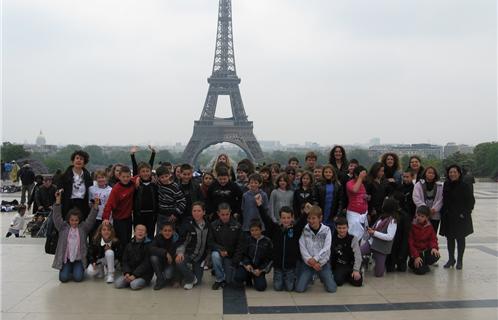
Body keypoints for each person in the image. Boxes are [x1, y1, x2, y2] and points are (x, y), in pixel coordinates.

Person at [257, 198, 307, 291]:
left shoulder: (295, 230)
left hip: (290, 267)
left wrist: (306, 212)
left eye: (288, 218)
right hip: (278, 266)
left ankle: (293, 277)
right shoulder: (275, 229)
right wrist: (259, 205)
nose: (286, 220)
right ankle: (281, 277)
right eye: (283, 218)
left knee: (289, 288)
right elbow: (266, 218)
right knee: (277, 287)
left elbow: (301, 222)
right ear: (280, 218)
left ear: (292, 218)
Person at [52, 189, 98, 283]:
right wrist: (58, 200)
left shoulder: (83, 228)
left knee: (78, 278)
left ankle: (77, 268)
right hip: (67, 259)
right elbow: (56, 216)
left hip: (78, 259)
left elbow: (91, 219)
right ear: (68, 219)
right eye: (72, 220)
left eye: (76, 220)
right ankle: (68, 268)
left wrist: (95, 206)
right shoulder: (63, 227)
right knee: (63, 279)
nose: (74, 222)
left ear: (79, 220)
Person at [440, 164, 475, 270]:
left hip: (460, 216)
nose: (452, 174)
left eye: (455, 172)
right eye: (450, 172)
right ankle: (451, 259)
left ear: (459, 173)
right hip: (448, 216)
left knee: (460, 239)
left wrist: (464, 213)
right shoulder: (446, 184)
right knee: (449, 239)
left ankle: (460, 260)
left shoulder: (464, 185)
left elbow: (471, 201)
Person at [295, 205, 336, 293]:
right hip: (308, 263)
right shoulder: (304, 230)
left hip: (322, 263)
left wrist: (317, 260)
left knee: (332, 289)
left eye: (313, 218)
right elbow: (302, 247)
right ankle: (311, 276)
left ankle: (323, 277)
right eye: (309, 218)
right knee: (299, 289)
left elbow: (326, 248)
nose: (311, 221)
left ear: (320, 218)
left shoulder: (327, 230)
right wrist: (311, 261)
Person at [208, 202, 244, 290]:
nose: (225, 216)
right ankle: (219, 279)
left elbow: (240, 246)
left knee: (229, 281)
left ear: (230, 212)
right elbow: (210, 242)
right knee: (214, 255)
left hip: (231, 256)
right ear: (218, 213)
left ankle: (223, 270)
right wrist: (220, 250)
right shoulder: (213, 225)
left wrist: (235, 262)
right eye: (222, 214)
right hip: (219, 253)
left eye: (227, 214)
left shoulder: (237, 226)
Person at [360, 198, 398, 278]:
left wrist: (374, 232)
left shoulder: (393, 221)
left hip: (381, 248)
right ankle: (364, 261)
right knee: (358, 253)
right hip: (371, 243)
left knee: (379, 274)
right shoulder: (381, 217)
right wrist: (371, 230)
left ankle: (373, 260)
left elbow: (389, 237)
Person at [176, 202, 210, 289]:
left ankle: (190, 275)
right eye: (194, 211)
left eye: (199, 211)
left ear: (204, 212)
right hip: (189, 254)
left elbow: (210, 243)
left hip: (201, 257)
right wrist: (180, 253)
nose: (196, 213)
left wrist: (208, 258)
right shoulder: (187, 224)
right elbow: (182, 240)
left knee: (198, 282)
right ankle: (190, 278)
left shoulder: (209, 225)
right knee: (179, 261)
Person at [102, 166, 136, 254]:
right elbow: (109, 204)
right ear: (119, 177)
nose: (126, 179)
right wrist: (105, 217)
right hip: (118, 219)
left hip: (128, 218)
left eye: (128, 176)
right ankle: (121, 261)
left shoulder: (132, 183)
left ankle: (127, 260)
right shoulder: (116, 189)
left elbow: (140, 175)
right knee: (121, 242)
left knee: (128, 240)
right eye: (123, 177)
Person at [234, 219, 273, 291]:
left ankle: (256, 278)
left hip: (259, 268)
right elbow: (243, 254)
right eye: (252, 230)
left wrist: (261, 270)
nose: (254, 232)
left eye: (257, 230)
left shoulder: (267, 241)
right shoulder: (248, 239)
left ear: (261, 230)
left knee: (261, 287)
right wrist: (246, 264)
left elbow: (270, 259)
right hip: (249, 267)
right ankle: (248, 278)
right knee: (238, 277)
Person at [114, 224, 153, 290]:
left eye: (142, 230)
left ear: (146, 234)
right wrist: (127, 273)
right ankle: (130, 280)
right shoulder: (129, 245)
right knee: (118, 284)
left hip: (144, 275)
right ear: (134, 232)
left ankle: (143, 282)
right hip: (130, 272)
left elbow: (146, 264)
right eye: (138, 230)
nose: (140, 231)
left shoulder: (149, 245)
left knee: (134, 285)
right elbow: (125, 261)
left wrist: (135, 275)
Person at [60, 150, 93, 220]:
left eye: (81, 159)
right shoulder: (64, 176)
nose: (79, 160)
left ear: (84, 162)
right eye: (77, 158)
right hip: (68, 204)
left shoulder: (88, 177)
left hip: (83, 205)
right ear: (73, 161)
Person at [331, 217, 363, 287]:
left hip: (350, 265)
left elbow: (358, 256)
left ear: (348, 228)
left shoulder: (353, 238)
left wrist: (356, 270)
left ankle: (348, 275)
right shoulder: (332, 238)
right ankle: (344, 276)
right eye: (339, 228)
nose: (342, 230)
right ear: (336, 228)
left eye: (344, 228)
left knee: (358, 282)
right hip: (339, 266)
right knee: (338, 281)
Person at [408, 205, 440, 275]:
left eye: (422, 216)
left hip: (424, 251)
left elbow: (433, 239)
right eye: (418, 215)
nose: (419, 218)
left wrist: (434, 248)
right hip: (416, 252)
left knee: (436, 255)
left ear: (427, 217)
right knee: (421, 272)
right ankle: (412, 262)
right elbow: (410, 243)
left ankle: (423, 263)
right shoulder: (412, 225)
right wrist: (416, 256)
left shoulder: (429, 226)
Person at [150, 222, 181, 290]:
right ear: (161, 231)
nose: (167, 232)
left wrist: (177, 280)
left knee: (168, 274)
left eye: (169, 230)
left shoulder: (176, 239)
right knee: (153, 257)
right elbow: (151, 248)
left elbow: (178, 258)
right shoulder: (157, 237)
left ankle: (173, 278)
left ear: (173, 231)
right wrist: (165, 253)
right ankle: (160, 279)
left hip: (171, 263)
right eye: (165, 230)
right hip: (161, 262)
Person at [155, 166, 186, 233]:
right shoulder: (159, 184)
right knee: (159, 234)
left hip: (171, 216)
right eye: (162, 177)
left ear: (170, 175)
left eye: (166, 176)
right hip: (160, 215)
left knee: (170, 235)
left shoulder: (174, 187)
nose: (164, 179)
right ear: (158, 178)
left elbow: (182, 201)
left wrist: (176, 214)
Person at [413, 166, 443, 233]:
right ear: (425, 173)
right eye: (429, 172)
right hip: (421, 214)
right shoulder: (418, 184)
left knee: (432, 234)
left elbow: (441, 199)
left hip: (434, 214)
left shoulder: (439, 185)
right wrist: (426, 209)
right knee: (420, 234)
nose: (431, 174)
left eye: (433, 173)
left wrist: (434, 209)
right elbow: (416, 197)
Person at [133, 162, 158, 236]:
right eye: (143, 171)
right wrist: (137, 178)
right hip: (139, 215)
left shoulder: (154, 184)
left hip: (151, 215)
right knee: (139, 235)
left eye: (147, 171)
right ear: (139, 173)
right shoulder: (136, 184)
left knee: (150, 235)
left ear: (151, 172)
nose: (145, 173)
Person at [345, 166, 369, 239]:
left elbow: (361, 195)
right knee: (354, 236)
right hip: (353, 213)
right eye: (363, 175)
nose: (365, 177)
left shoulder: (362, 184)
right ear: (356, 175)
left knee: (363, 237)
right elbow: (355, 190)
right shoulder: (349, 183)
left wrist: (366, 197)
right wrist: (360, 178)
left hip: (363, 214)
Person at [88, 170, 112, 236]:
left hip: (105, 218)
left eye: (103, 177)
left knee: (104, 237)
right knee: (93, 236)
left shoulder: (110, 190)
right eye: (99, 177)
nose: (101, 179)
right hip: (94, 217)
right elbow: (89, 203)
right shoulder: (91, 189)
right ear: (96, 179)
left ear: (106, 178)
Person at [366, 162, 388, 226]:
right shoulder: (369, 182)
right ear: (375, 171)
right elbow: (367, 199)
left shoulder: (384, 182)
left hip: (382, 211)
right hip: (373, 212)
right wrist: (369, 212)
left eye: (383, 171)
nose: (382, 173)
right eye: (380, 171)